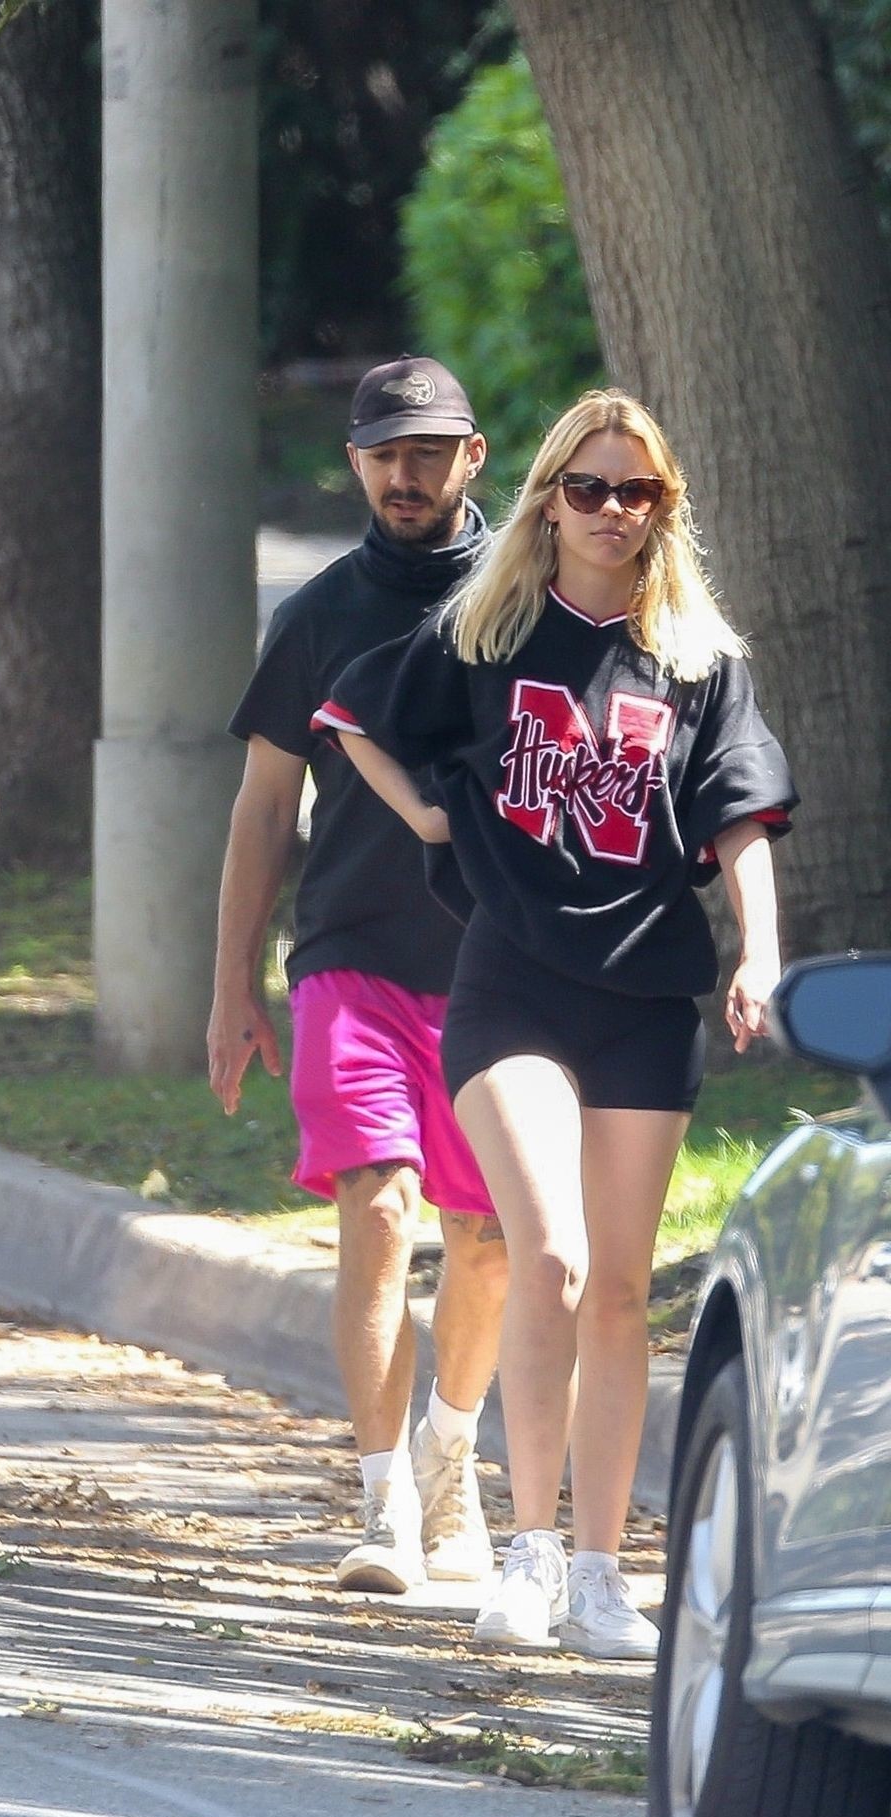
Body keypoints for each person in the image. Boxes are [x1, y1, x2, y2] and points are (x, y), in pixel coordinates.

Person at [314, 388, 796, 1656]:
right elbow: (353, 715)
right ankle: (524, 1553)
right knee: (551, 1259)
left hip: (644, 995)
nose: (609, 510)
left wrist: (760, 951)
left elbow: (740, 815)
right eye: (586, 487)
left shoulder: (696, 659)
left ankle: (597, 1575)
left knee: (621, 1291)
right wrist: (429, 816)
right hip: (512, 982)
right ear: (547, 500)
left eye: (635, 491)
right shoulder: (486, 632)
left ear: (661, 509)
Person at [207, 357, 509, 1596]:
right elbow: (261, 809)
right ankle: (383, 1500)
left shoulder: (529, 601)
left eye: (427, 451)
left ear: (472, 456)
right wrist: (231, 987)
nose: (405, 474)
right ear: (353, 463)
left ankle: (452, 1461)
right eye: (384, 453)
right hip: (348, 960)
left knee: (485, 1242)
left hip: (497, 969)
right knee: (379, 1209)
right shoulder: (318, 616)